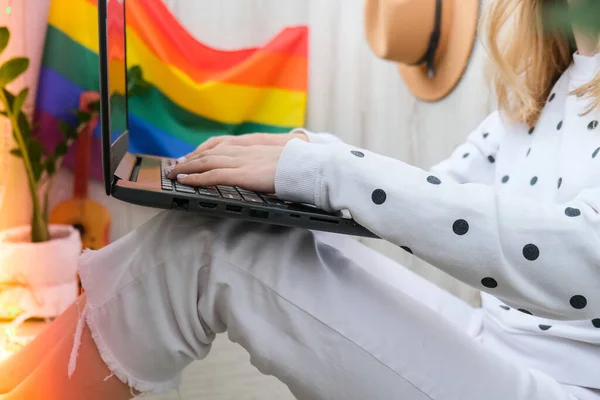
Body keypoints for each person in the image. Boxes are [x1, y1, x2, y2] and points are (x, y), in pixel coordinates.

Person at [2, 0, 600, 399]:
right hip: (489, 340)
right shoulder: (545, 87)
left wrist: (327, 169)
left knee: (211, 253)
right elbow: (435, 194)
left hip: (564, 384)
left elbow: (586, 260)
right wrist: (307, 154)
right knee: (226, 234)